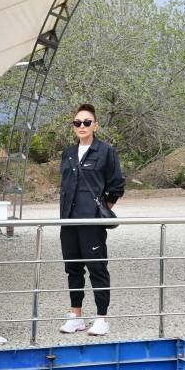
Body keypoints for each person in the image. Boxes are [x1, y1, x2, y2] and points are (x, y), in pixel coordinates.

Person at [58, 103, 125, 336]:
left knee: (97, 267)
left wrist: (100, 210)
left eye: (87, 122)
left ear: (95, 125)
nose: (82, 126)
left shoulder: (106, 151)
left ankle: (101, 318)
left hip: (91, 223)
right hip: (68, 222)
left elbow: (116, 186)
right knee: (73, 269)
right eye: (77, 123)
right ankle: (75, 316)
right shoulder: (67, 153)